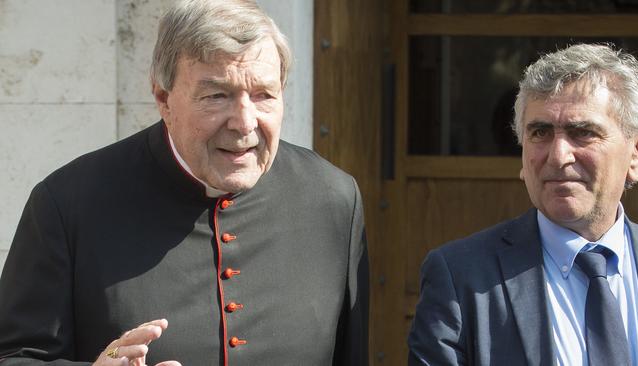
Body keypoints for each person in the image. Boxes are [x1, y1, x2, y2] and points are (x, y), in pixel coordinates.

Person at [0, 1, 369, 365]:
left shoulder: (333, 199)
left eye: (263, 95)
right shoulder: (68, 203)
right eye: (216, 96)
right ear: (163, 98)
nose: (244, 122)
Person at [408, 43, 638, 365]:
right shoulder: (461, 278)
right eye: (540, 132)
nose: (559, 156)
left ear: (636, 151)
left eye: (583, 132)